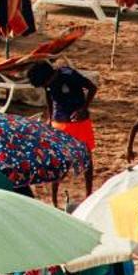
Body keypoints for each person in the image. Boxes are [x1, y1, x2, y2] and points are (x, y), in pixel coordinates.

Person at [29, 59, 98, 192]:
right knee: (60, 162)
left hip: (79, 122)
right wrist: (50, 116)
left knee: (86, 159)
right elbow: (49, 95)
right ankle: (54, 199)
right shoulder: (47, 83)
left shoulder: (69, 74)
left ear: (50, 76)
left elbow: (92, 88)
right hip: (59, 122)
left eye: (45, 84)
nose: (46, 86)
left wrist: (83, 108)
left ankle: (89, 193)